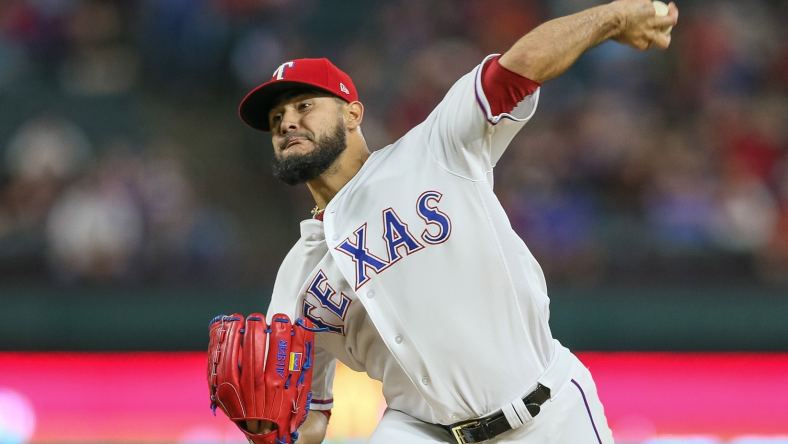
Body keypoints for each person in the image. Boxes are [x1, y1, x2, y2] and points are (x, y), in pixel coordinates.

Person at [237, 1, 678, 442]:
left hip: (545, 412)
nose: (287, 123)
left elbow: (517, 69)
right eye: (276, 120)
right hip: (421, 430)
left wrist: (612, 18)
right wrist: (273, 432)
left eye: (304, 106)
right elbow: (307, 415)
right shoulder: (296, 278)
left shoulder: (432, 150)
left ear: (353, 114)